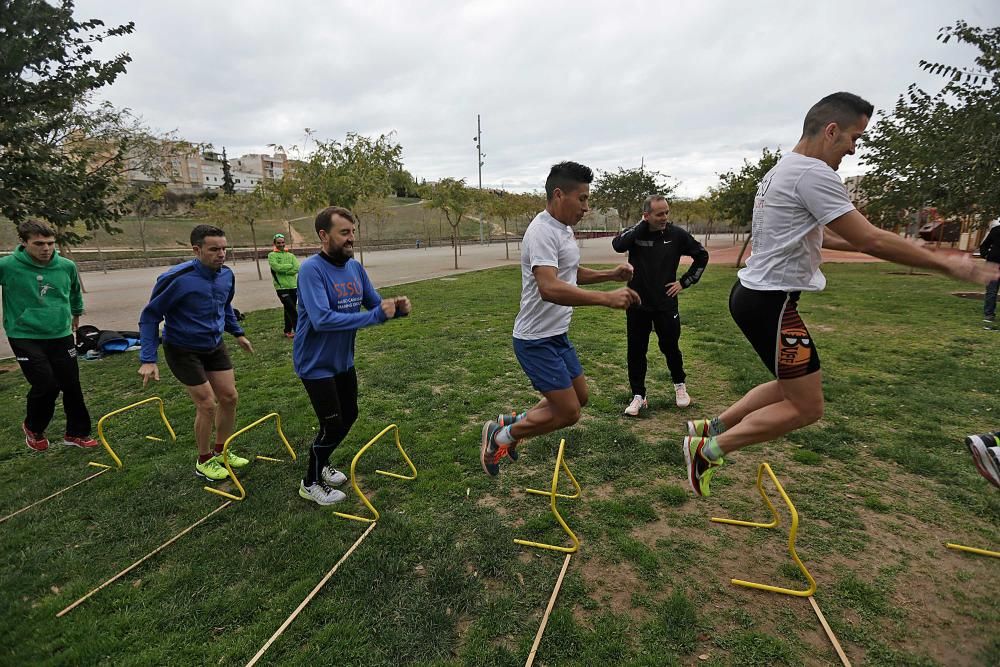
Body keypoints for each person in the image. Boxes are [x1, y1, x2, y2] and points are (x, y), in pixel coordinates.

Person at [684, 92, 1000, 497]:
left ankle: (713, 427)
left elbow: (829, 234)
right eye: (854, 137)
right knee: (807, 407)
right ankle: (708, 451)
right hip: (771, 304)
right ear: (831, 130)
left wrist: (913, 249)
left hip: (756, 296)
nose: (853, 149)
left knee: (789, 387)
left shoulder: (783, 170)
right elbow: (869, 238)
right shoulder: (812, 173)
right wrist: (948, 263)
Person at [480, 161, 639, 477]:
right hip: (535, 339)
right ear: (558, 195)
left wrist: (610, 275)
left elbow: (569, 274)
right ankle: (500, 437)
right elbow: (549, 287)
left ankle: (510, 423)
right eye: (582, 199)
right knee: (568, 412)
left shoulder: (564, 230)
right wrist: (606, 299)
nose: (586, 207)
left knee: (580, 398)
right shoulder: (541, 231)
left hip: (557, 334)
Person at [293, 206, 411, 505]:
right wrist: (375, 318)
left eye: (353, 232)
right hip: (315, 363)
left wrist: (394, 310)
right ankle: (310, 482)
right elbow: (322, 319)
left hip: (343, 360)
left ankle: (323, 462)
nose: (351, 238)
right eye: (344, 232)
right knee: (332, 424)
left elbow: (373, 304)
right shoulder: (311, 270)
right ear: (324, 235)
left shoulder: (355, 267)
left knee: (350, 415)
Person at [138, 225, 254, 481]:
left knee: (230, 397)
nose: (221, 254)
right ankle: (204, 460)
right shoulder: (176, 279)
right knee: (206, 403)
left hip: (213, 344)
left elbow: (225, 306)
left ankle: (222, 451)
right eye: (214, 249)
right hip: (182, 348)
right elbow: (150, 316)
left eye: (224, 248)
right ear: (197, 249)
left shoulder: (226, 276)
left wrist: (238, 334)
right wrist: (148, 358)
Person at [0, 220, 97, 451]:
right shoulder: (8, 266)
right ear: (24, 243)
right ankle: (34, 427)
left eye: (51, 243)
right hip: (25, 334)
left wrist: (75, 313)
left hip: (60, 333)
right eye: (39, 243)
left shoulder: (66, 266)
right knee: (46, 384)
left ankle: (77, 433)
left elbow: (74, 292)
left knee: (71, 385)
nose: (46, 248)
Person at [612, 195, 709, 415]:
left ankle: (680, 386)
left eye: (667, 212)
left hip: (665, 303)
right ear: (646, 215)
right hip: (637, 303)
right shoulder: (636, 232)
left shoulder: (677, 235)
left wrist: (684, 282)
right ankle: (639, 396)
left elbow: (702, 256)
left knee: (670, 347)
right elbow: (618, 244)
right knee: (636, 350)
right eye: (659, 213)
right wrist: (640, 226)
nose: (665, 217)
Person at [267, 233, 300, 338]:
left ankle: (287, 331)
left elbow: (297, 268)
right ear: (274, 243)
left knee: (289, 309)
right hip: (281, 288)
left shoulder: (290, 255)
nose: (281, 244)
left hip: (293, 286)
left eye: (282, 242)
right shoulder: (271, 255)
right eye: (278, 243)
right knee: (292, 310)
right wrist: (289, 267)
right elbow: (277, 268)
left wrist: (284, 270)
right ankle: (299, 332)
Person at [979, 219, 999, 328]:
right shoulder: (996, 230)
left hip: (993, 262)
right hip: (993, 262)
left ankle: (989, 314)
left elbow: (984, 245)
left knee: (991, 290)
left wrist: (985, 255)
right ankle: (989, 314)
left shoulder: (995, 230)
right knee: (991, 290)